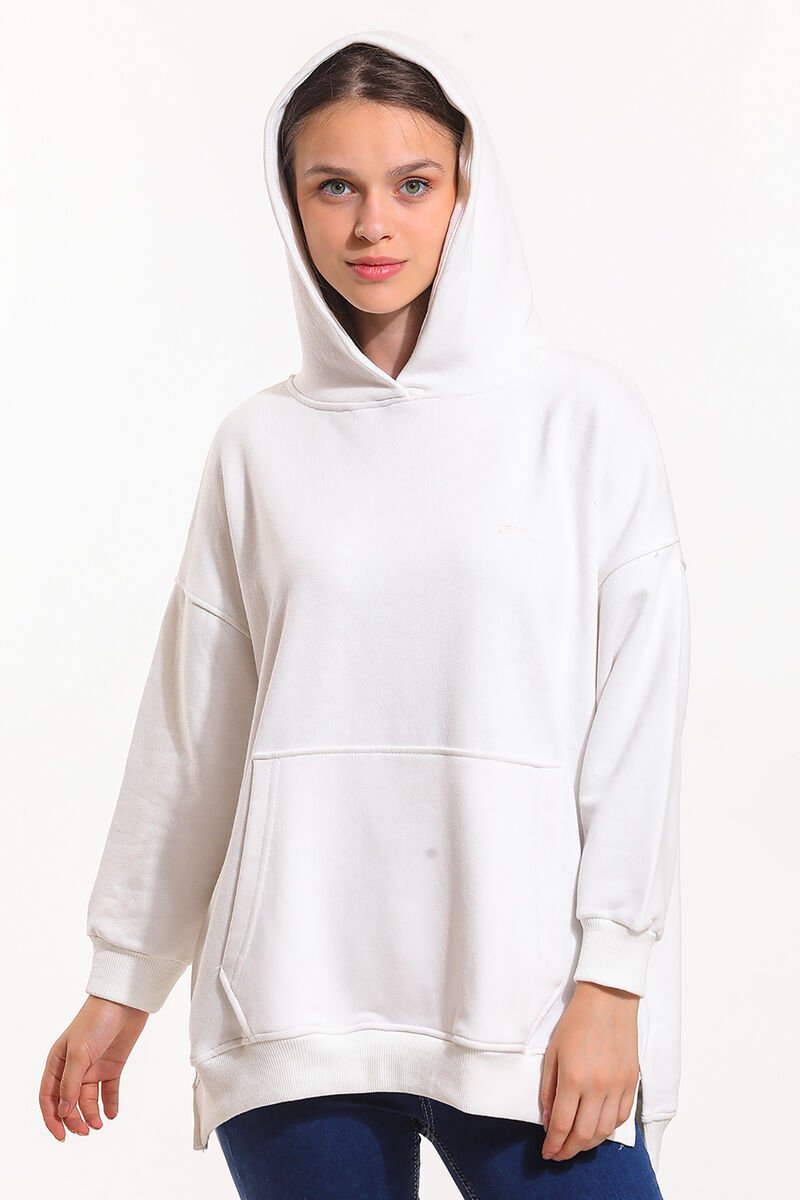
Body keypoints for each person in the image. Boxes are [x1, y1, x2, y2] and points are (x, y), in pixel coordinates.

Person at [39, 29, 691, 1200]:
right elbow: (191, 736)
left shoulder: (580, 420)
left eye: (411, 184)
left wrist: (612, 979)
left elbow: (637, 726)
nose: (371, 226)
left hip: (528, 1009)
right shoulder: (258, 445)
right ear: (290, 203)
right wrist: (121, 981)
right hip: (292, 1008)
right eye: (332, 187)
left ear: (464, 192)